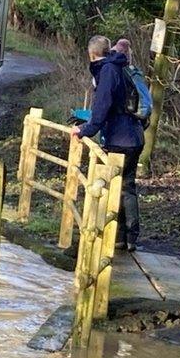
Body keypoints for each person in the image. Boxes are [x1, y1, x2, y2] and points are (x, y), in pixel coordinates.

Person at [71, 35, 144, 251]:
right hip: (134, 134)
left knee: (115, 186)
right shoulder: (119, 66)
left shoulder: (107, 71)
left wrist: (84, 130)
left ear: (91, 54)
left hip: (119, 138)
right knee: (127, 186)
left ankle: (118, 235)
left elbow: (102, 106)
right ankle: (127, 238)